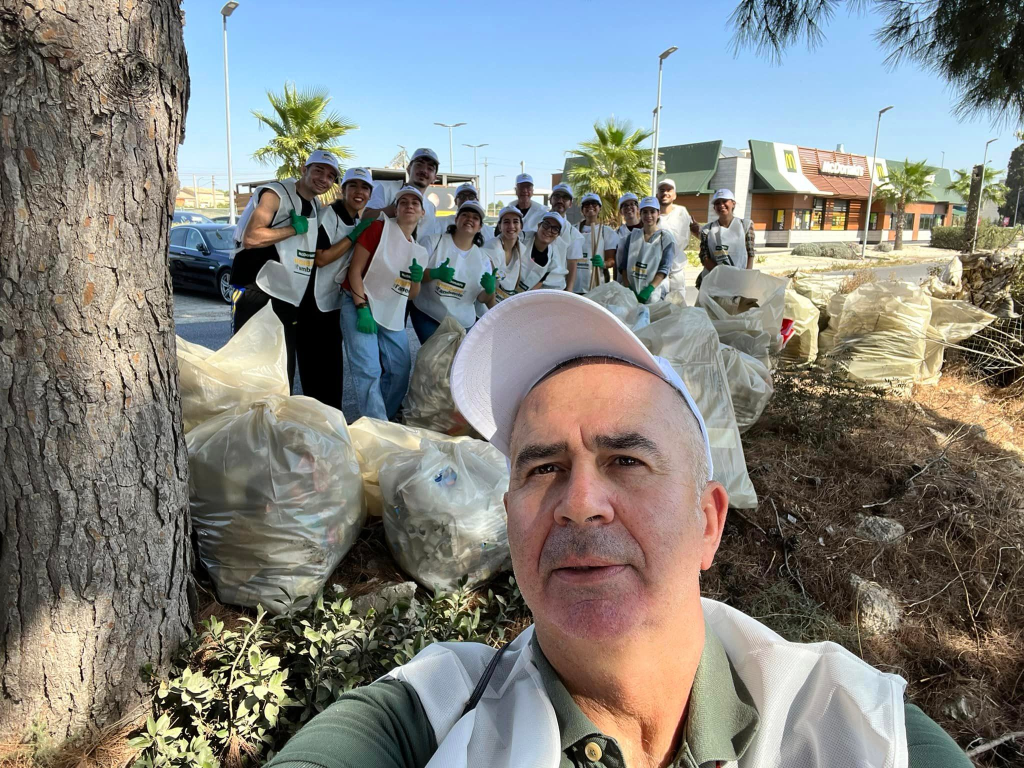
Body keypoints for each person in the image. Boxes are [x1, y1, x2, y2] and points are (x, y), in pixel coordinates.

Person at [266, 290, 974, 768]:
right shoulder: (431, 715)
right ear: (510, 517)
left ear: (708, 522)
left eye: (626, 461)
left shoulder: (846, 723)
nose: (579, 503)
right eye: (543, 468)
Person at [230, 149, 340, 401]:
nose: (324, 179)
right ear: (304, 169)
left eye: (330, 176)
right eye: (319, 171)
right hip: (258, 290)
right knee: (251, 368)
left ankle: (275, 420)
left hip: (288, 295)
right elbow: (251, 237)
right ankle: (247, 421)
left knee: (283, 370)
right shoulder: (275, 194)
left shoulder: (315, 205)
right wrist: (292, 229)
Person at [340, 185, 426, 421]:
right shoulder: (378, 228)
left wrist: (417, 280)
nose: (409, 206)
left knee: (400, 369)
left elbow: (410, 295)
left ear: (422, 213)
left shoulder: (419, 251)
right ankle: (377, 430)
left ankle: (381, 420)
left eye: (415, 203)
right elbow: (354, 271)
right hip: (359, 303)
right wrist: (362, 309)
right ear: (395, 210)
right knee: (369, 370)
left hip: (390, 310)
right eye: (403, 202)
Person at [409, 200, 495, 342]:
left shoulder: (483, 259)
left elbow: (481, 298)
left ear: (480, 227)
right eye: (465, 215)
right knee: (434, 353)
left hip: (462, 322)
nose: (469, 219)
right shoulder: (433, 242)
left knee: (458, 356)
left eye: (475, 218)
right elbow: (414, 275)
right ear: (456, 220)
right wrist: (434, 273)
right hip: (428, 314)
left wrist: (489, 290)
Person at [364, 148, 441, 235]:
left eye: (430, 168)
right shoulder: (386, 188)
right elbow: (366, 218)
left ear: (435, 178)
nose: (424, 171)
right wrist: (400, 209)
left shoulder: (431, 208)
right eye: (419, 165)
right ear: (408, 169)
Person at [616, 196, 675, 304]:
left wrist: (649, 289)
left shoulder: (666, 238)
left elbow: (664, 268)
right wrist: (629, 288)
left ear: (658, 213)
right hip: (631, 291)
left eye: (652, 212)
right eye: (645, 212)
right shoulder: (632, 236)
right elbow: (623, 266)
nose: (649, 216)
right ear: (640, 213)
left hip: (655, 291)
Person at [698, 188, 755, 288]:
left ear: (733, 204)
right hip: (715, 280)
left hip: (740, 280)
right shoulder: (707, 229)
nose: (721, 205)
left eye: (724, 201)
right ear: (714, 207)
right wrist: (723, 276)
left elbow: (750, 253)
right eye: (717, 203)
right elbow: (704, 257)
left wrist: (746, 277)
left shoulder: (745, 225)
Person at [656, 178, 700, 294]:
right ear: (657, 195)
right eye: (662, 190)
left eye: (669, 190)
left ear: (674, 195)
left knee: (678, 302)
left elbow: (695, 231)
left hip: (677, 269)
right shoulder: (651, 215)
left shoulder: (682, 211)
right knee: (658, 302)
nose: (665, 193)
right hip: (656, 269)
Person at [478, 205, 525, 311]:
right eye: (506, 222)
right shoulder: (491, 249)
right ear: (500, 227)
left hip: (502, 310)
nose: (511, 226)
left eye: (515, 222)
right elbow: (482, 297)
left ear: (521, 226)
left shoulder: (520, 250)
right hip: (485, 313)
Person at [572, 192, 619, 293]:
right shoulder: (573, 229)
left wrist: (604, 264)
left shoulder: (606, 231)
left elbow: (611, 260)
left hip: (597, 285)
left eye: (594, 204)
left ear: (599, 208)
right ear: (582, 210)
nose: (590, 206)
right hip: (575, 285)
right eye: (586, 204)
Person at [517, 210, 569, 291]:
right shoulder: (521, 239)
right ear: (539, 225)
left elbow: (540, 281)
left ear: (558, 235)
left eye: (555, 229)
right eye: (546, 225)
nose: (549, 230)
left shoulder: (552, 258)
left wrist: (526, 296)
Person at [548, 182, 584, 292]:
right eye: (557, 196)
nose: (560, 200)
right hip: (533, 285)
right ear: (550, 200)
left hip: (557, 287)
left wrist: (569, 290)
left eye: (565, 197)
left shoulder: (573, 234)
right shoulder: (537, 223)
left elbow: (572, 264)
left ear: (570, 204)